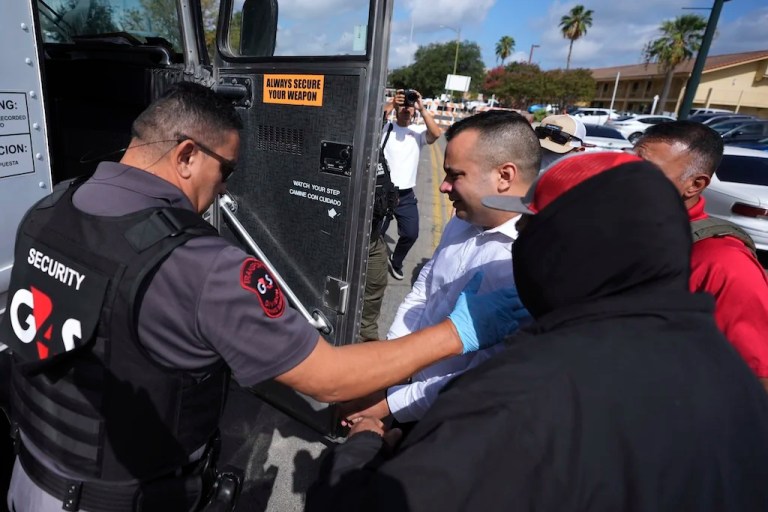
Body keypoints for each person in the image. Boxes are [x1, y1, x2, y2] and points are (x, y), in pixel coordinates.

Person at [0, 82, 524, 512]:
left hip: (31, 474)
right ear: (187, 154)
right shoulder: (200, 265)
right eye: (225, 171)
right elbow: (329, 376)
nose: (225, 190)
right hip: (126, 496)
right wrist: (458, 332)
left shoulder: (52, 206)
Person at [307, 152, 768, 511]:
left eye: (531, 226)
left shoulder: (529, 394)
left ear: (569, 241)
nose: (520, 238)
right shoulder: (728, 373)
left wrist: (362, 447)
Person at [341, 110, 540, 423]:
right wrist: (391, 367)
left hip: (446, 416)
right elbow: (426, 287)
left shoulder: (528, 262)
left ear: (505, 176)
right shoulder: (462, 221)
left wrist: (391, 404)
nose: (443, 187)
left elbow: (484, 373)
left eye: (455, 175)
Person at [634, 121, 768, 389]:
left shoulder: (723, 263)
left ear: (694, 184)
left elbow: (758, 377)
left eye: (645, 171)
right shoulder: (617, 229)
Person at [380, 89, 441, 280]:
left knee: (411, 233)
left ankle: (396, 261)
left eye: (409, 105)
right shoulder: (385, 127)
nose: (406, 107)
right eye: (402, 105)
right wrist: (391, 104)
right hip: (383, 192)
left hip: (406, 195)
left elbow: (436, 134)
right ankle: (370, 262)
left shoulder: (417, 133)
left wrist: (422, 108)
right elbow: (371, 121)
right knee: (375, 232)